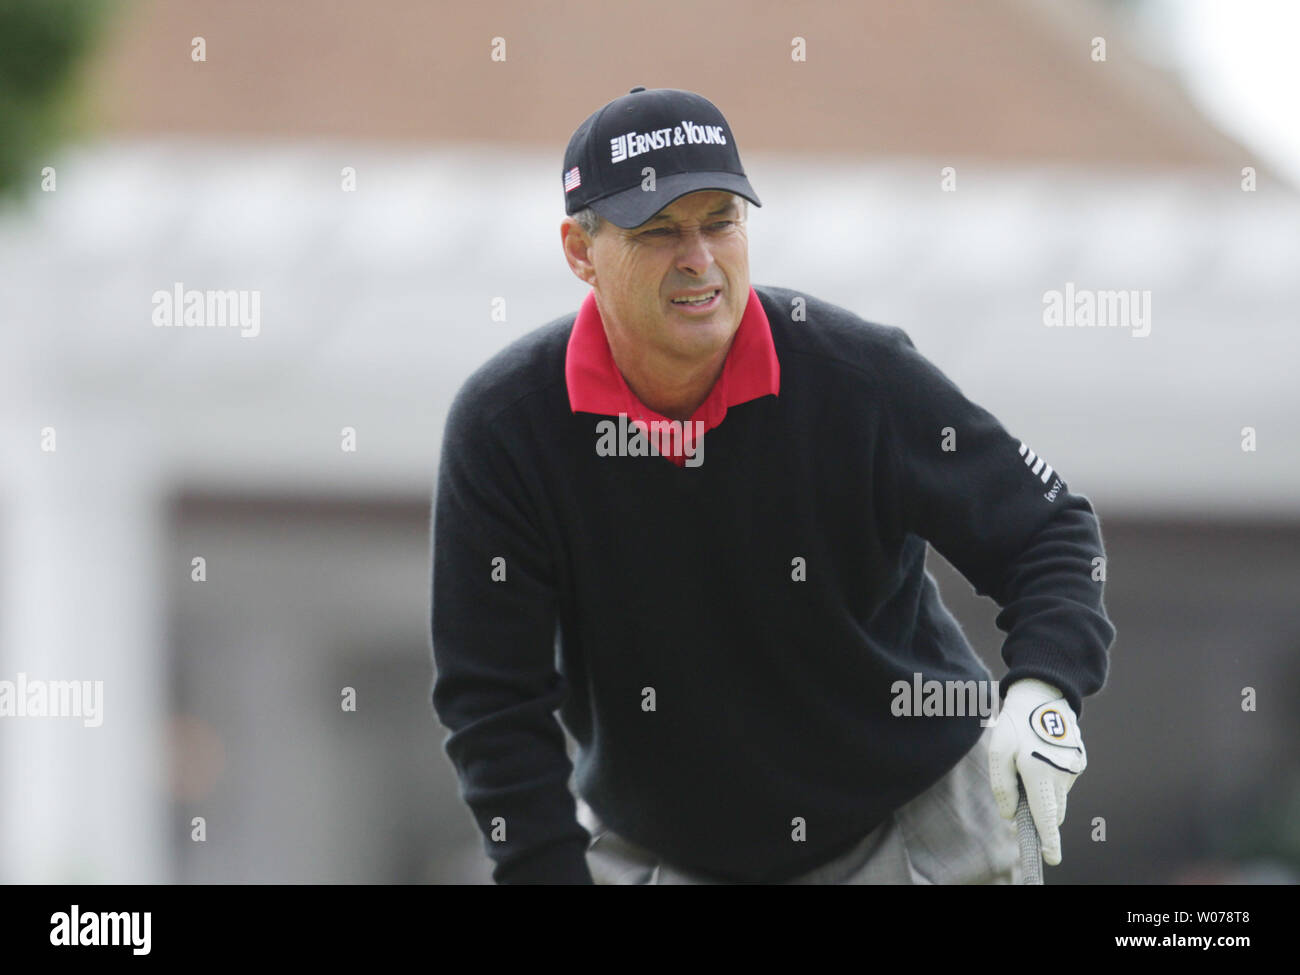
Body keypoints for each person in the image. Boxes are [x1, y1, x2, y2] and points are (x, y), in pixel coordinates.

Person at [429, 86, 1115, 884]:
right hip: (670, 846)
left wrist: (1045, 687)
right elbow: (492, 702)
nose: (699, 257)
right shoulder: (505, 426)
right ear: (580, 252)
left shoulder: (855, 375)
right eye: (658, 231)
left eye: (720, 219)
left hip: (918, 821)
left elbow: (1047, 529)